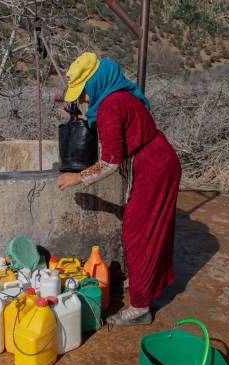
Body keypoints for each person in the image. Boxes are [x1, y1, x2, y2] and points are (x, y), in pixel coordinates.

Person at [56, 52, 182, 326]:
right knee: (147, 230)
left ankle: (140, 308)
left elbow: (110, 161)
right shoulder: (119, 94)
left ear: (96, 83)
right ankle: (142, 284)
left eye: (84, 93)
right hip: (158, 160)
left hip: (154, 169)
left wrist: (77, 178)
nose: (84, 99)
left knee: (138, 234)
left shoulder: (111, 107)